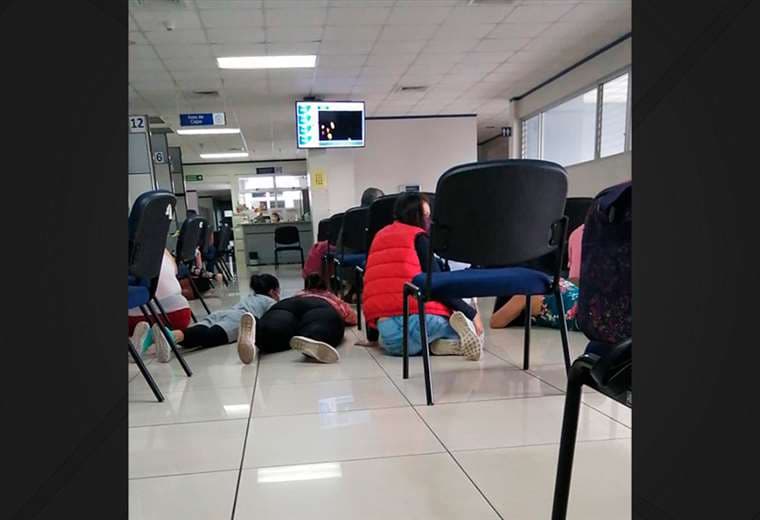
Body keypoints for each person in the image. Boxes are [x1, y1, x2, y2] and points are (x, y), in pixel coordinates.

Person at [362, 192, 484, 360]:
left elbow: (371, 286)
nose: (429, 220)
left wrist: (372, 336)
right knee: (467, 327)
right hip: (424, 321)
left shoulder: (379, 236)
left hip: (387, 330)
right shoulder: (419, 237)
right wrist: (472, 314)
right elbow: (439, 284)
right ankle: (450, 337)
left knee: (390, 343)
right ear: (416, 216)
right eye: (426, 215)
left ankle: (432, 345)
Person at [153, 273, 280, 364]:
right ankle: (170, 337)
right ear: (273, 291)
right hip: (239, 319)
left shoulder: (252, 297)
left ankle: (167, 335)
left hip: (223, 313)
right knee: (209, 337)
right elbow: (273, 319)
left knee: (199, 330)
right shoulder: (271, 302)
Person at [489, 225, 585, 331]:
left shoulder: (525, 295)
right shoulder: (549, 281)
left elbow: (495, 322)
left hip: (588, 315)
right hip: (589, 300)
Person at [252, 273, 357, 364]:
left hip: (286, 305)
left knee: (276, 327)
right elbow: (351, 317)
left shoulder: (299, 294)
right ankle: (312, 338)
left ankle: (258, 331)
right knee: (321, 324)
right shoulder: (329, 296)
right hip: (320, 306)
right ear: (325, 287)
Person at [129, 249, 193, 362]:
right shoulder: (160, 244)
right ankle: (155, 336)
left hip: (137, 318)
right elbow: (176, 270)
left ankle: (141, 338)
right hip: (181, 314)